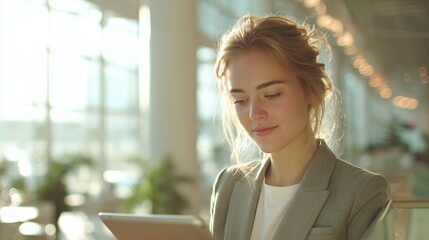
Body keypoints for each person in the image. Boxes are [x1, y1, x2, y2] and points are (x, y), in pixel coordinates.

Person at [209, 14, 391, 240]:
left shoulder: (360, 193)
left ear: (311, 90)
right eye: (241, 100)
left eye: (271, 94)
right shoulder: (228, 184)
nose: (255, 113)